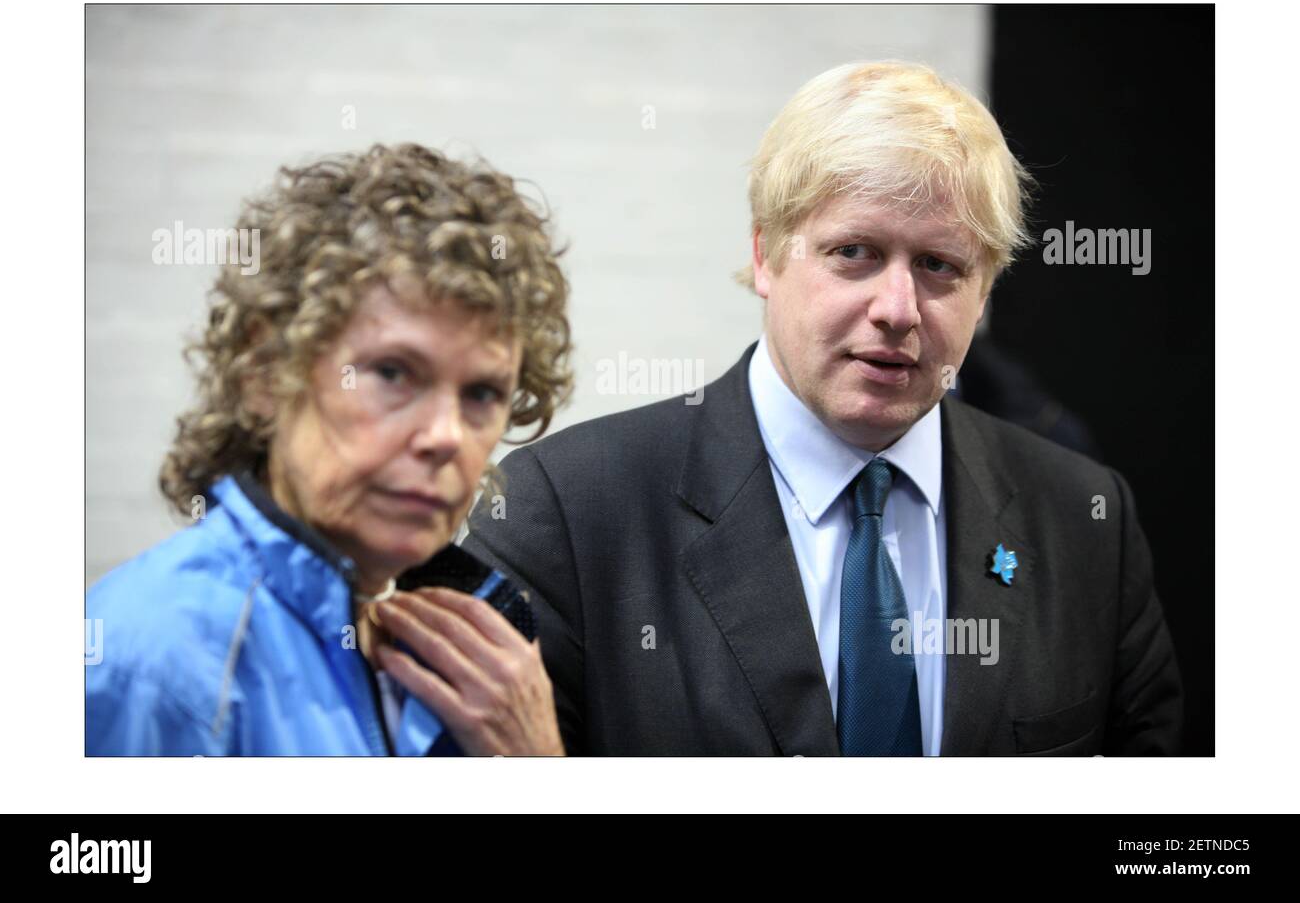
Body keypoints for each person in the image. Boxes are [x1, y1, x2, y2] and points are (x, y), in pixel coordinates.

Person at [463, 62, 1183, 756]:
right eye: (855, 252)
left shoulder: (1085, 521)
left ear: (985, 290)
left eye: (939, 265)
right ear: (766, 255)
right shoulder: (567, 513)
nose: (897, 309)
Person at [87, 143, 573, 756]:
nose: (446, 435)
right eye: (393, 373)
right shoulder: (155, 664)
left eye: (481, 393)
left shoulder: (472, 669)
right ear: (265, 373)